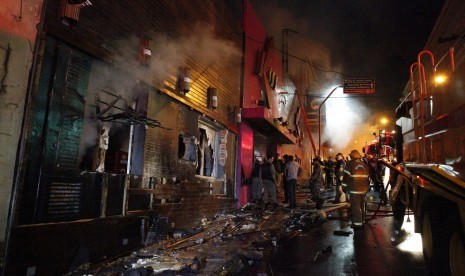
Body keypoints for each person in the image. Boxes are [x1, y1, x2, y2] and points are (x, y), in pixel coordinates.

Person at [343, 149, 370, 228]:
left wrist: (344, 187)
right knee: (362, 205)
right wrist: (367, 188)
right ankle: (363, 221)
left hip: (354, 189)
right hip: (363, 190)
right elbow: (368, 178)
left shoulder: (350, 165)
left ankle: (357, 224)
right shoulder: (364, 165)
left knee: (355, 207)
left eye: (351, 156)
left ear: (352, 156)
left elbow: (346, 177)